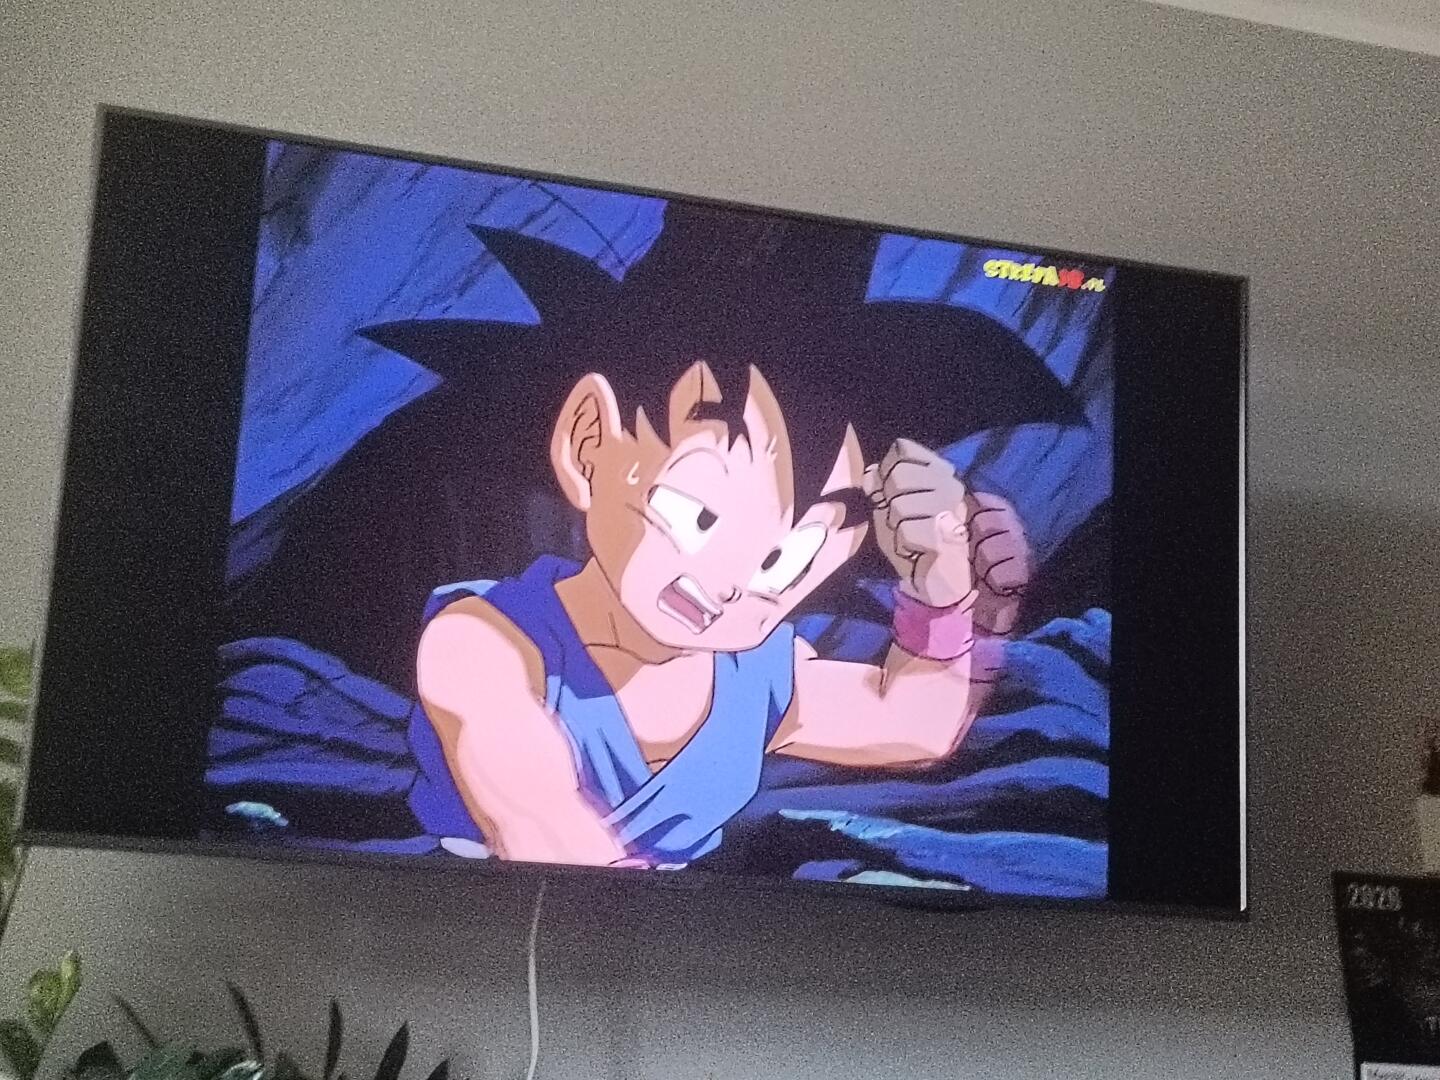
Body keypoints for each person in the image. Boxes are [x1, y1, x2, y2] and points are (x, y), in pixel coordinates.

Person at [408, 352, 1031, 868]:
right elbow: (545, 835)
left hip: (680, 947)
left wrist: (945, 589)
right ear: (588, 443)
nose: (732, 584)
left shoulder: (753, 675)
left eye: (784, 561)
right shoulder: (481, 642)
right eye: (697, 517)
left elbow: (917, 726)